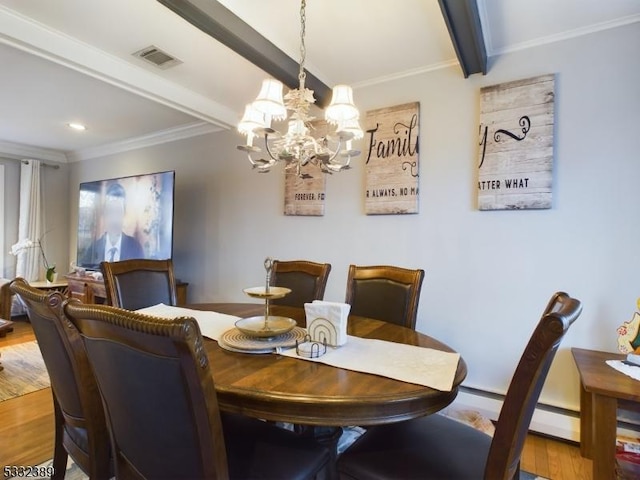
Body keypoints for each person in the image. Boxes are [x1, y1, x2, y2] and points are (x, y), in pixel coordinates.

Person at [81, 182, 144, 268]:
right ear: (105, 214)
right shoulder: (93, 249)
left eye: (118, 211)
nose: (114, 219)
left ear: (124, 214)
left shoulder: (136, 248)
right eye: (110, 211)